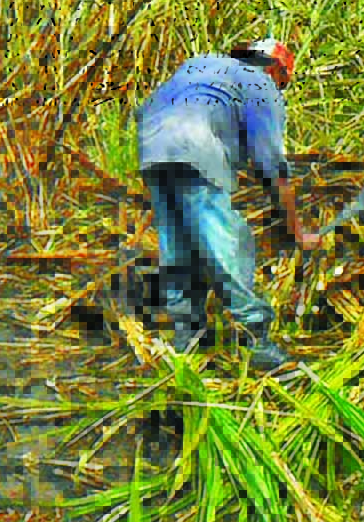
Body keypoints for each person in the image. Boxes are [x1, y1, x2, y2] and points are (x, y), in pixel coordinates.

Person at [126, 39, 321, 372]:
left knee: (177, 241)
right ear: (276, 71)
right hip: (193, 141)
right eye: (282, 83)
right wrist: (298, 232)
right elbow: (273, 168)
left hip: (152, 143)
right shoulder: (261, 84)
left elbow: (146, 109)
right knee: (227, 241)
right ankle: (256, 338)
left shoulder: (201, 65)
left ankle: (186, 335)